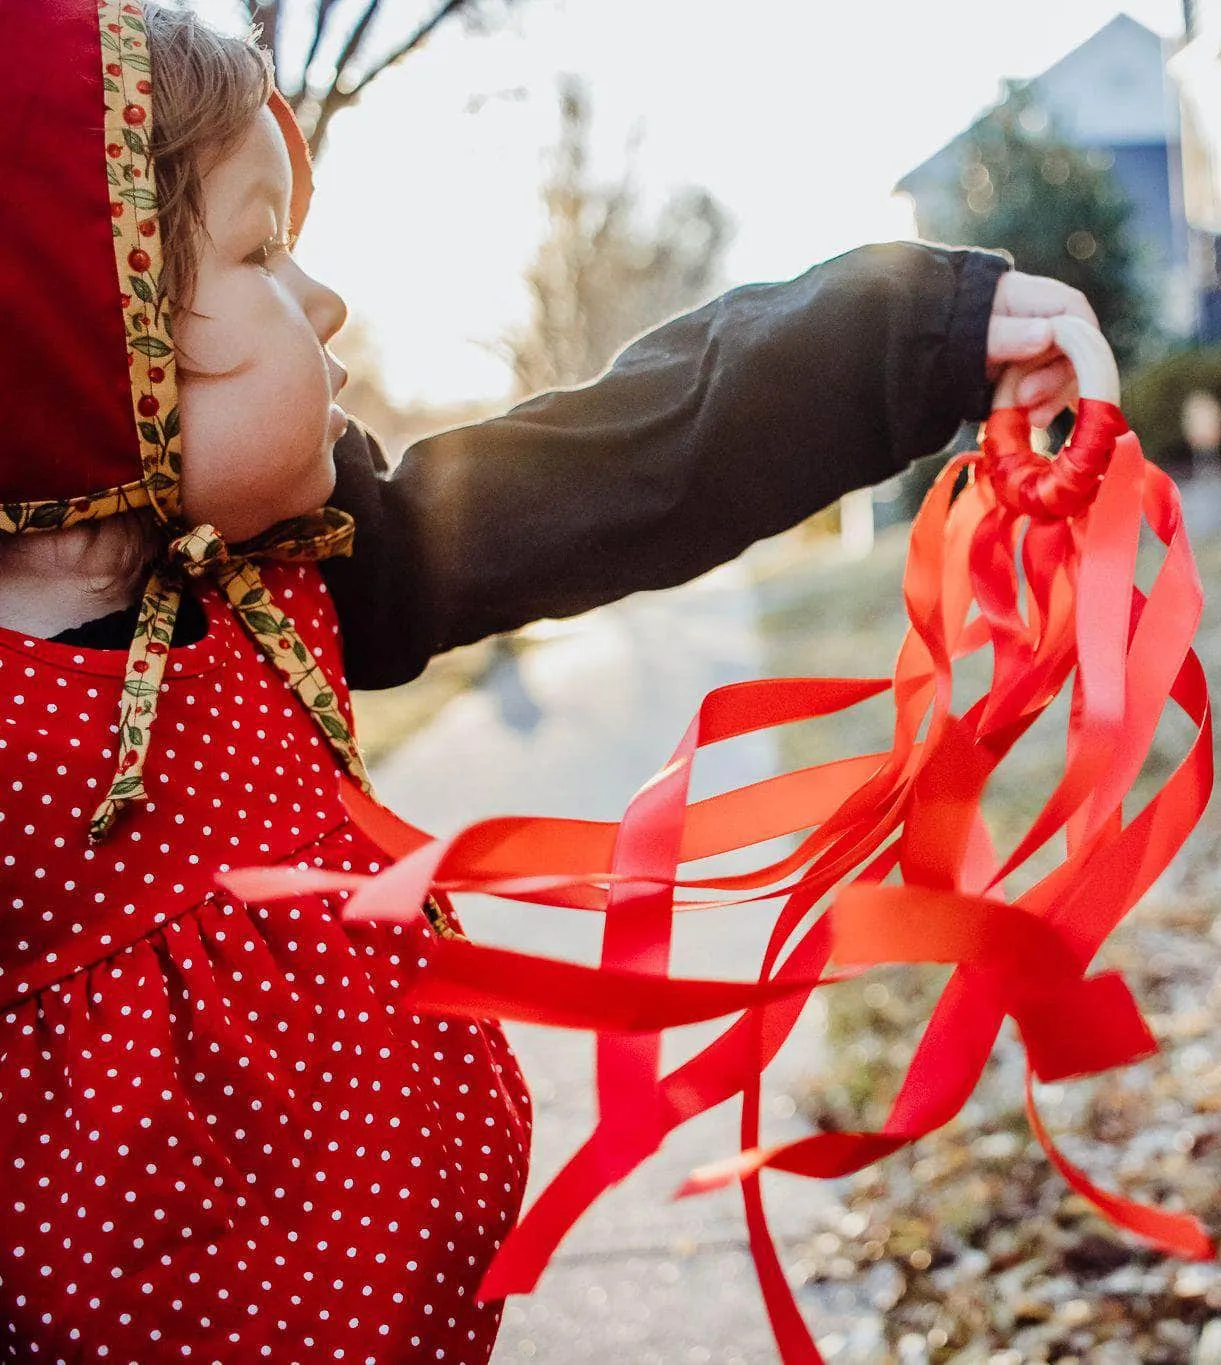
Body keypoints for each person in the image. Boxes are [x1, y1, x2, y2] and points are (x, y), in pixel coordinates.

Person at [0, 2, 1104, 1360]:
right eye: (261, 252)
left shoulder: (298, 584)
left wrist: (914, 333)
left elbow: (618, 466)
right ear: (88, 338)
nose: (327, 301)